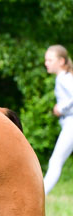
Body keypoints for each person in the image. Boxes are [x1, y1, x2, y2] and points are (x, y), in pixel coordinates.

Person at [43, 44, 73, 194]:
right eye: (46, 60)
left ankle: (39, 194)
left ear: (61, 61)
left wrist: (61, 108)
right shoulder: (64, 77)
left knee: (55, 161)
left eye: (50, 60)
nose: (46, 63)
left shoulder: (64, 78)